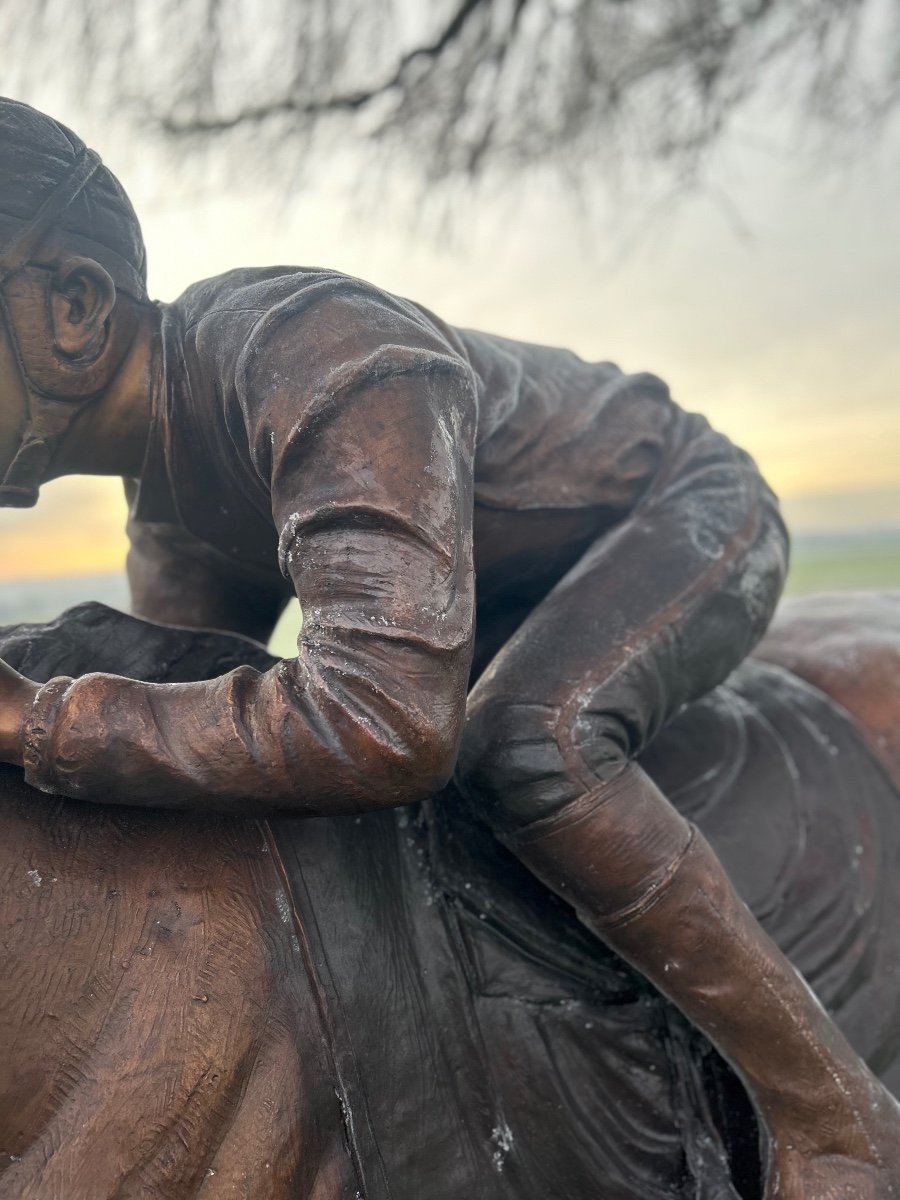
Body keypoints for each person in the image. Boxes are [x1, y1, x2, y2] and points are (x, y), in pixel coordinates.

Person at [0, 97, 897, 1195]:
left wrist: (37, 717)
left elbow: (385, 724)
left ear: (73, 308)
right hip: (476, 585)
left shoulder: (321, 360)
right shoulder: (172, 498)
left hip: (672, 517)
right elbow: (215, 750)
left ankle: (836, 1114)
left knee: (527, 744)